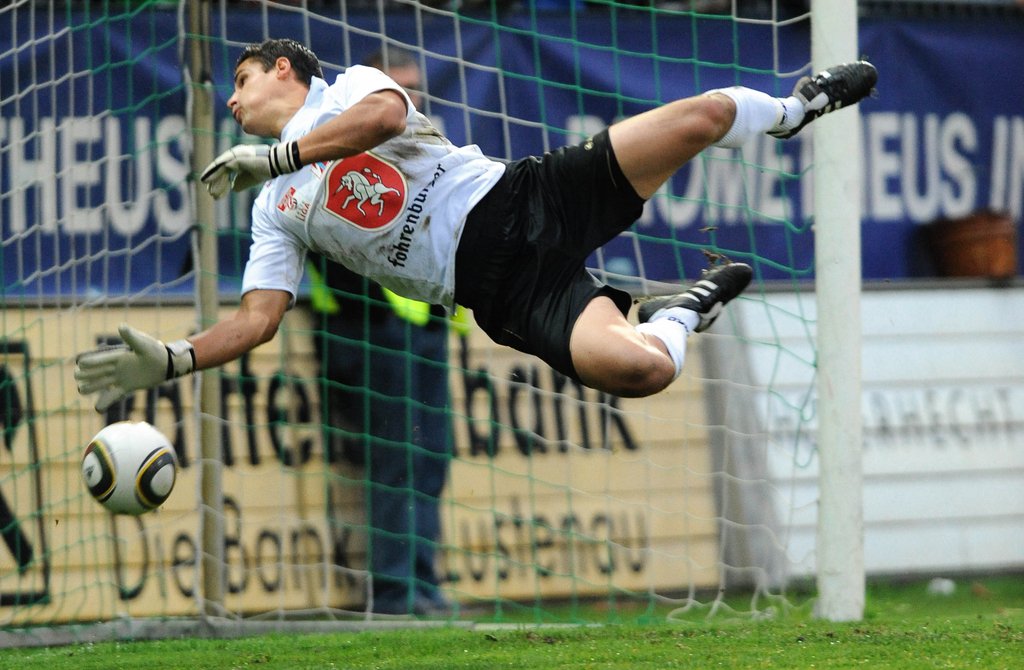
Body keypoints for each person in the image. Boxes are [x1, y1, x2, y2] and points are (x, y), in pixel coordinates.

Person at [74, 37, 875, 430]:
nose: (233, 101)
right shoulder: (269, 206)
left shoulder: (346, 89)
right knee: (641, 372)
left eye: (242, 82)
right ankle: (683, 310)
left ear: (285, 69)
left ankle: (795, 109)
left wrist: (278, 154)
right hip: (504, 290)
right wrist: (175, 358)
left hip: (527, 198)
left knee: (703, 117)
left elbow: (383, 121)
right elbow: (258, 318)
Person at [308, 46, 455, 616]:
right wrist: (371, 310)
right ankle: (396, 592)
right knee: (397, 459)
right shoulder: (338, 155)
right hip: (368, 331)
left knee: (432, 457)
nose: (410, 99)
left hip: (424, 332)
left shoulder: (423, 151)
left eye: (415, 88)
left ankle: (424, 582)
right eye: (400, 88)